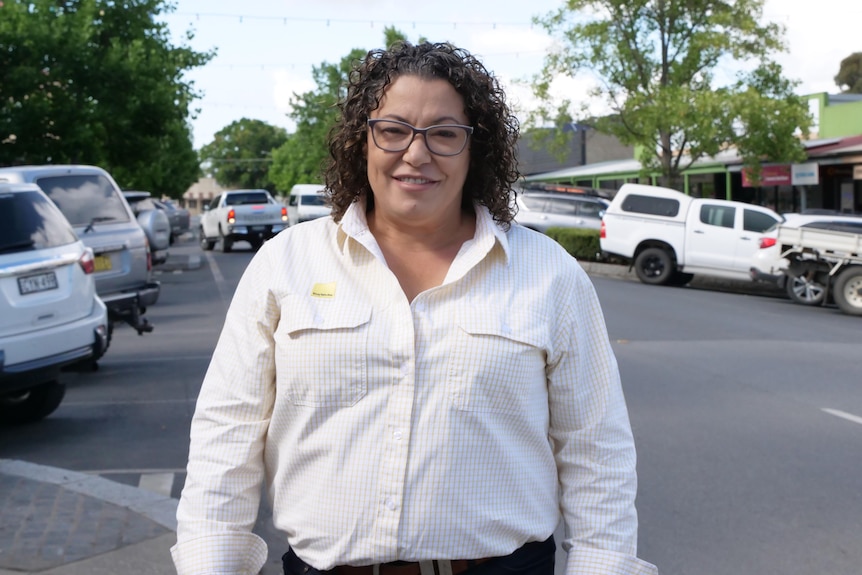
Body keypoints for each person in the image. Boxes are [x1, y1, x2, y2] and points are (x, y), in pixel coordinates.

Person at [172, 41, 658, 575]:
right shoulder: (286, 265)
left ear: (477, 150)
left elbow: (597, 450)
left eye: (444, 134)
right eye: (394, 130)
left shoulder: (549, 274)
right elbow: (228, 432)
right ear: (363, 140)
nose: (417, 154)